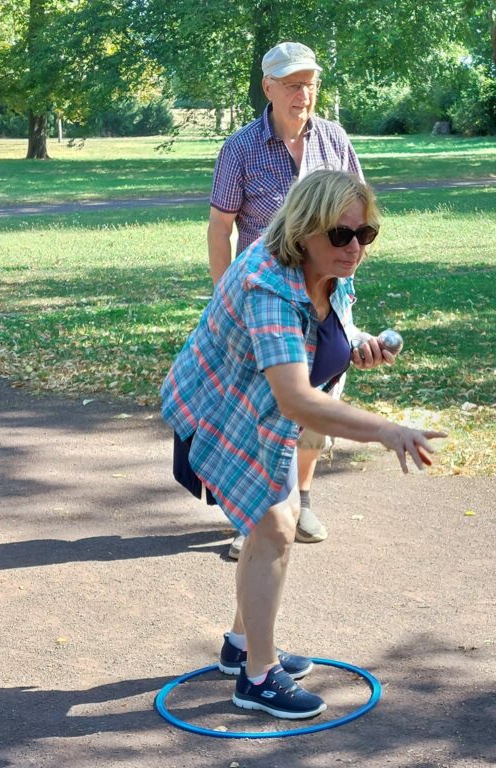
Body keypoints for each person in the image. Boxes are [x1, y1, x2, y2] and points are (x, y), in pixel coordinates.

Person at [162, 170, 445, 719]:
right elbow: (294, 398)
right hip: (221, 413)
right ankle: (258, 680)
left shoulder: (333, 267)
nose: (355, 248)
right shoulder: (267, 283)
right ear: (303, 230)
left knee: (278, 525)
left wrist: (355, 343)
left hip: (263, 416)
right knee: (273, 527)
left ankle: (243, 647)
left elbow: (322, 329)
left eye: (365, 235)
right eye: (341, 235)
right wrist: (387, 430)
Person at [208, 41, 362, 554]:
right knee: (265, 406)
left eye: (311, 84)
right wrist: (222, 298)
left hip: (325, 296)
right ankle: (253, 515)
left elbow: (358, 213)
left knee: (319, 400)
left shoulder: (334, 140)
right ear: (268, 88)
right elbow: (220, 227)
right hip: (266, 301)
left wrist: (348, 261)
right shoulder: (240, 148)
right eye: (293, 85)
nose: (304, 94)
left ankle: (304, 496)